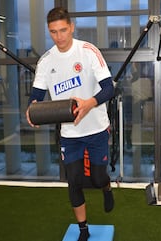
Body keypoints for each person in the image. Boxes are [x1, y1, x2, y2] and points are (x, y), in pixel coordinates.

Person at [26, 7, 115, 241]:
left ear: (72, 27)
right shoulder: (46, 61)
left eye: (63, 30)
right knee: (74, 181)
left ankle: (106, 187)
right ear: (49, 32)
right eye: (53, 32)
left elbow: (109, 88)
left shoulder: (87, 51)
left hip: (96, 128)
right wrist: (32, 110)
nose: (59, 37)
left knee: (96, 178)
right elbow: (36, 95)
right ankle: (83, 229)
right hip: (69, 133)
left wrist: (89, 103)